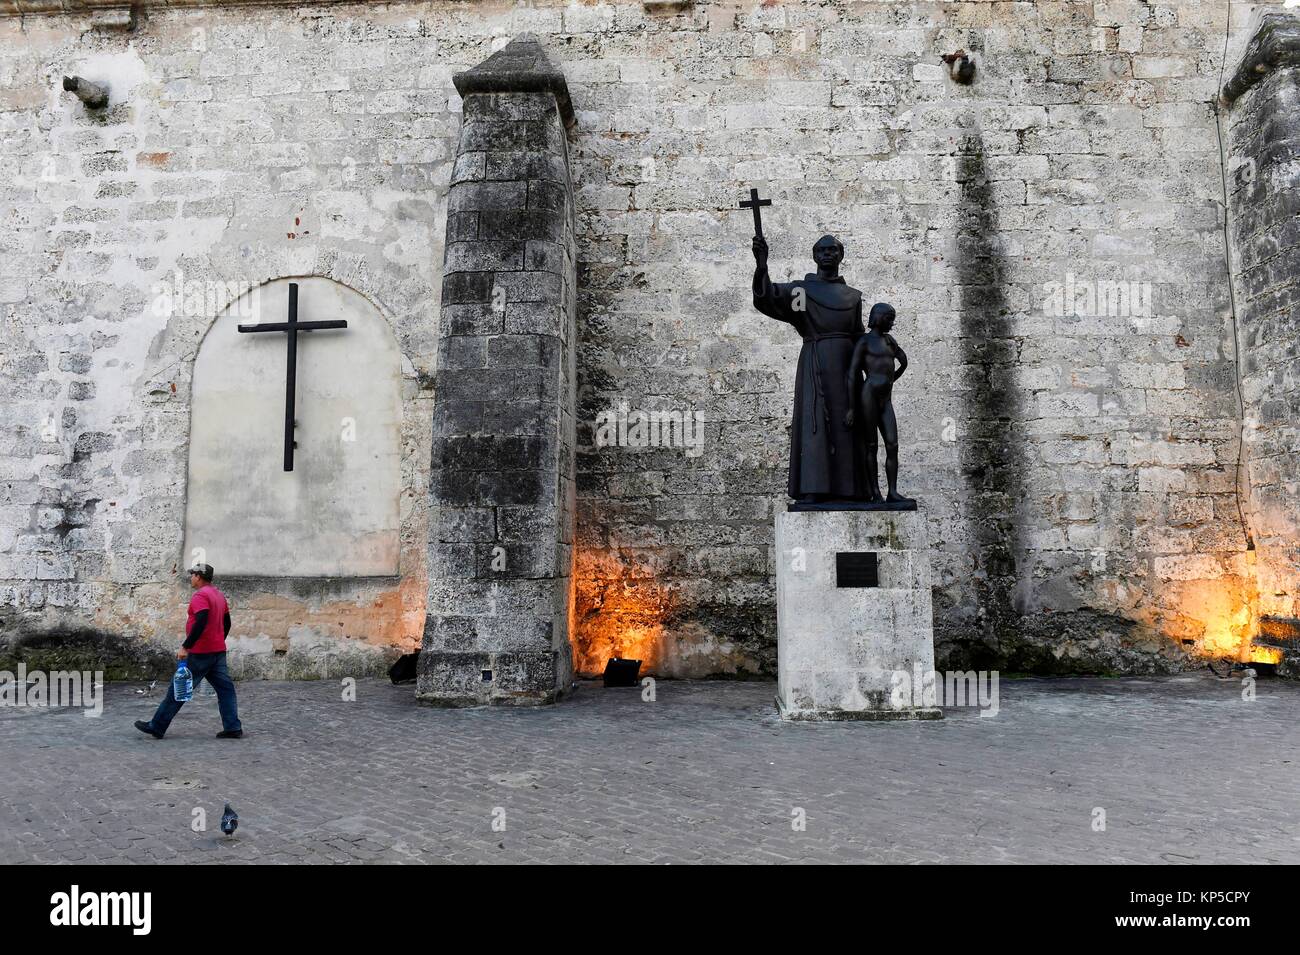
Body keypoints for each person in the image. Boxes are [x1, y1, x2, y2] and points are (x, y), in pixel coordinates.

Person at [752, 233, 867, 504]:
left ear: (841, 256)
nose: (828, 254)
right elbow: (768, 298)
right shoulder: (803, 293)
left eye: (833, 250)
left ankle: (852, 491)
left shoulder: (852, 297)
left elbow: (859, 333)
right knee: (815, 423)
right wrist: (762, 265)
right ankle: (814, 487)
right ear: (815, 256)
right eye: (822, 250)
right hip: (816, 361)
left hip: (848, 368)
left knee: (848, 425)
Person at [135, 563, 244, 740]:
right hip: (218, 652)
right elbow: (227, 623)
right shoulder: (218, 595)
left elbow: (201, 621)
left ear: (199, 577)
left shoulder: (200, 596)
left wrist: (186, 646)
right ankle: (232, 727)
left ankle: (157, 726)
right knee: (226, 690)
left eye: (192, 574)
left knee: (179, 689)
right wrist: (218, 640)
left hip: (200, 653)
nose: (191, 577)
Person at [845, 303, 913, 505]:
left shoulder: (889, 341)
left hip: (886, 398)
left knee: (892, 444)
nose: (892, 323)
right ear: (878, 317)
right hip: (869, 396)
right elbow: (852, 374)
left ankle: (892, 491)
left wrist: (892, 378)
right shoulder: (865, 342)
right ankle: (875, 492)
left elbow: (903, 361)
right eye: (889, 319)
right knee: (871, 445)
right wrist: (851, 407)